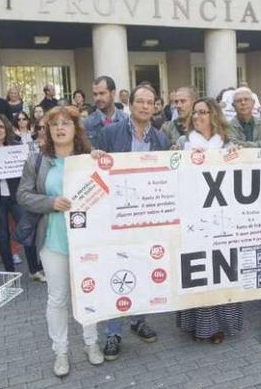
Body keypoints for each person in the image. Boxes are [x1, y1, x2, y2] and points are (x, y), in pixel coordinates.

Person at [18, 105, 103, 376]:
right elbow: (23, 195)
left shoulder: (89, 158)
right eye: (54, 124)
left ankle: (91, 343)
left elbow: (107, 188)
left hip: (86, 241)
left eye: (66, 123)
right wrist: (50, 202)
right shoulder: (37, 161)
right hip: (53, 241)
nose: (60, 128)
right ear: (47, 130)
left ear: (76, 129)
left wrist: (103, 162)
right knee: (57, 298)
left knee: (87, 292)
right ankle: (61, 352)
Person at [93, 84, 168, 360]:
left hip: (147, 216)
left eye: (151, 102)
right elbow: (95, 171)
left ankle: (138, 320)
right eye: (141, 102)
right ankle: (113, 332)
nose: (146, 107)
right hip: (116, 216)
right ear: (131, 104)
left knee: (144, 267)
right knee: (116, 273)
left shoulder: (160, 138)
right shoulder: (110, 133)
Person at [175, 98, 243, 343]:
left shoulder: (227, 143)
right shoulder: (183, 142)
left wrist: (238, 157)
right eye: (195, 113)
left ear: (213, 115)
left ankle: (220, 326)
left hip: (222, 214)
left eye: (202, 112)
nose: (197, 117)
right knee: (197, 269)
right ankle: (197, 325)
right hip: (192, 213)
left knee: (221, 269)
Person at [0, 114, 38, 273]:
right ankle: (10, 272)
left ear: (6, 129)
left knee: (26, 231)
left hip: (17, 197)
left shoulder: (16, 146)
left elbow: (28, 173)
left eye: (1, 126)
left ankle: (34, 269)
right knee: (2, 236)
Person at [84, 76, 128, 145]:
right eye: (95, 94)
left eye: (102, 93)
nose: (98, 98)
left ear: (113, 93)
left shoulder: (126, 120)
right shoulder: (87, 123)